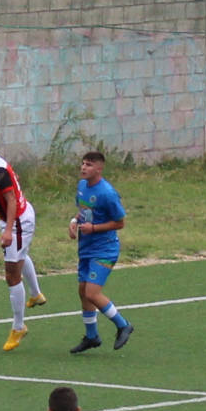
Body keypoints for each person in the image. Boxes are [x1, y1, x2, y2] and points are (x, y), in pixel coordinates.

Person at [0, 132, 47, 351]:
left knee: (11, 273)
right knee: (20, 257)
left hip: (17, 222)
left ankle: (18, 327)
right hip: (18, 218)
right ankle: (36, 295)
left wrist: (8, 230)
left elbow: (11, 200)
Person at [67, 150, 134, 353]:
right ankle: (91, 336)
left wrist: (94, 229)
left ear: (99, 168)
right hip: (86, 248)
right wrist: (74, 221)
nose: (83, 167)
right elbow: (85, 212)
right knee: (83, 292)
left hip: (104, 249)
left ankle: (123, 325)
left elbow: (120, 223)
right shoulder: (81, 186)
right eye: (82, 163)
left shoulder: (107, 193)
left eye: (88, 164)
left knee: (92, 292)